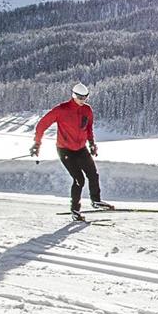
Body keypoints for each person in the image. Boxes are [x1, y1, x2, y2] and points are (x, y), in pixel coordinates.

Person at [33, 82, 106, 215]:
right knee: (79, 179)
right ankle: (75, 210)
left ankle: (96, 201)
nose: (83, 100)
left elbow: (88, 128)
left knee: (93, 175)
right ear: (74, 95)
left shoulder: (87, 110)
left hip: (81, 148)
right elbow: (42, 125)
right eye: (80, 98)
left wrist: (92, 144)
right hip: (65, 150)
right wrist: (37, 143)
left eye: (86, 97)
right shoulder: (61, 109)